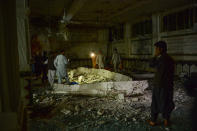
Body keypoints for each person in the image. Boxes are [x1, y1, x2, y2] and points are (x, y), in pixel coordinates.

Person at [148, 41, 175, 126]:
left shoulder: (160, 59)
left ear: (161, 49)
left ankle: (153, 121)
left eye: (156, 49)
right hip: (167, 85)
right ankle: (166, 120)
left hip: (159, 84)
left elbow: (151, 64)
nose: (155, 50)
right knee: (167, 102)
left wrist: (155, 56)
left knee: (155, 103)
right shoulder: (170, 59)